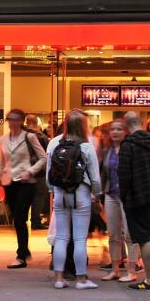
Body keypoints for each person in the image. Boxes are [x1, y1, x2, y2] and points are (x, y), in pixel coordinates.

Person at [46, 113, 102, 290]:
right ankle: (81, 279)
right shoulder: (86, 146)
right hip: (81, 195)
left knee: (61, 237)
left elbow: (49, 175)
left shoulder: (55, 143)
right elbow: (95, 178)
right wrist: (97, 195)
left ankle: (59, 278)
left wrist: (52, 191)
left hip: (60, 194)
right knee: (79, 239)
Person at [117, 111, 150, 290]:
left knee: (144, 238)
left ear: (125, 125)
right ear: (142, 122)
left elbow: (124, 175)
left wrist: (124, 197)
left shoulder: (128, 145)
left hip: (138, 196)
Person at [0, 108, 45, 268]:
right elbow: (1, 162)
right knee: (17, 219)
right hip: (9, 182)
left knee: (20, 218)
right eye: (10, 119)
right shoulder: (3, 140)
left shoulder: (30, 137)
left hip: (26, 182)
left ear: (22, 121)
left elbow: (43, 158)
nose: (12, 122)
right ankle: (24, 250)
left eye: (16, 119)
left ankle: (21, 255)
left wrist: (30, 171)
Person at [99, 118, 130, 279]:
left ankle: (131, 270)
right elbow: (103, 173)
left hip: (127, 195)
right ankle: (115, 269)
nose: (116, 132)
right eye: (113, 129)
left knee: (129, 234)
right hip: (110, 194)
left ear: (126, 132)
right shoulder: (107, 150)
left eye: (119, 129)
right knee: (113, 233)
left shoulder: (130, 148)